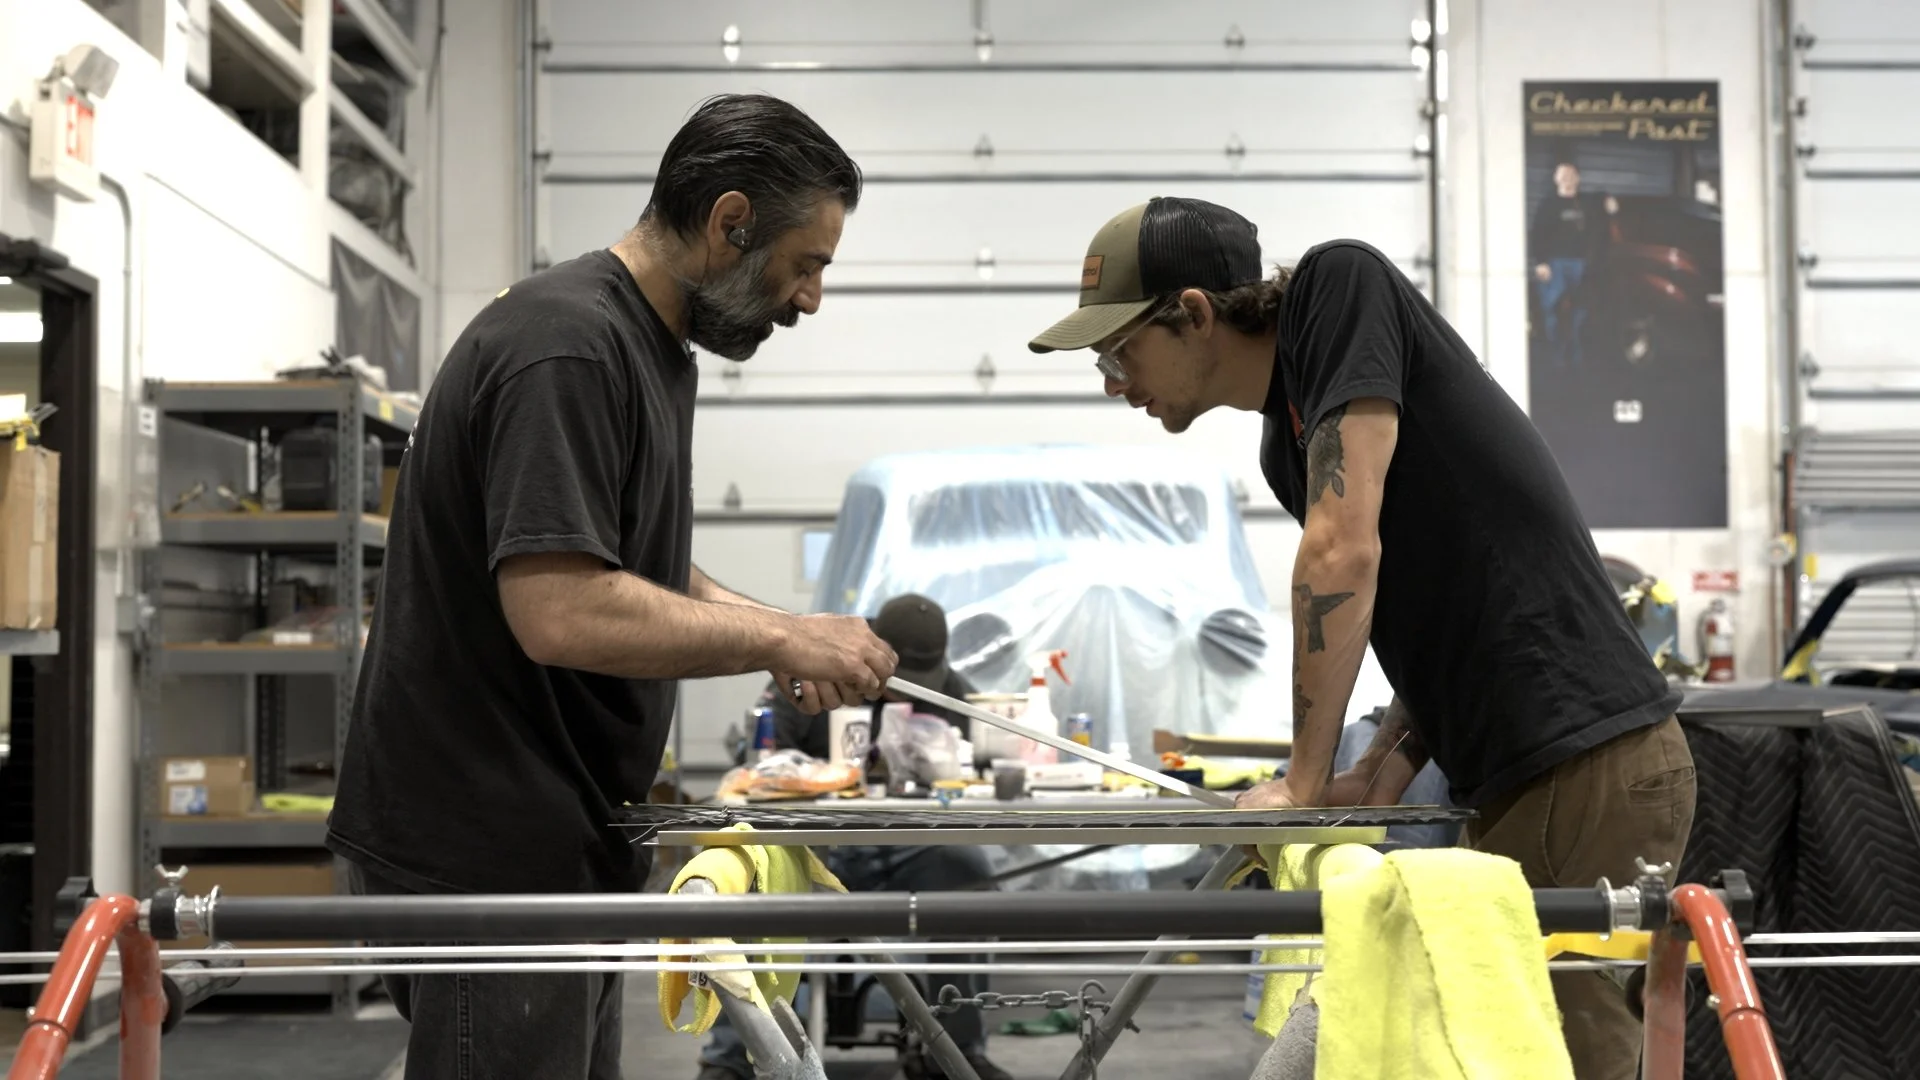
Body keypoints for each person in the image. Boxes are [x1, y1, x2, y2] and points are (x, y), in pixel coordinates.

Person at [1027, 197, 1693, 1080]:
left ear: (1192, 313)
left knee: (1554, 1061)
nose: (1114, 380)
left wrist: (1304, 784)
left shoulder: (1341, 289)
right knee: (1471, 1048)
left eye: (1118, 350)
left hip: (1589, 761)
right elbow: (1429, 599)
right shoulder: (1284, 442)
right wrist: (1379, 770)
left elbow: (1343, 551)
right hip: (1520, 779)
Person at [325, 94, 900, 1080]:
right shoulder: (570, 347)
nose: (811, 299)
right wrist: (775, 643)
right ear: (730, 224)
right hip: (489, 854)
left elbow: (632, 559)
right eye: (806, 265)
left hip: (552, 839)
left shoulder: (644, 347)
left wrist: (787, 626)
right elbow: (561, 607)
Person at [699, 594, 1012, 1080]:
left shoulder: (949, 689)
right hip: (818, 851)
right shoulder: (812, 670)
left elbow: (977, 762)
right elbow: (758, 757)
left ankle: (956, 1050)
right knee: (746, 890)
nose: (908, 695)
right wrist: (814, 776)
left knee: (967, 879)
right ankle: (731, 1059)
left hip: (908, 846)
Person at [1528, 161, 1618, 369]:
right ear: (1556, 179)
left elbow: (1601, 198)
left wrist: (1608, 199)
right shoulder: (1548, 204)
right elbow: (1538, 234)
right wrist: (1540, 262)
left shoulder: (1586, 202)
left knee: (1581, 309)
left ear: (1578, 178)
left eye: (1571, 174)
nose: (1567, 178)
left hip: (1581, 265)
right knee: (1551, 309)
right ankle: (1556, 357)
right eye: (1563, 175)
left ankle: (1577, 357)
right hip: (1555, 264)